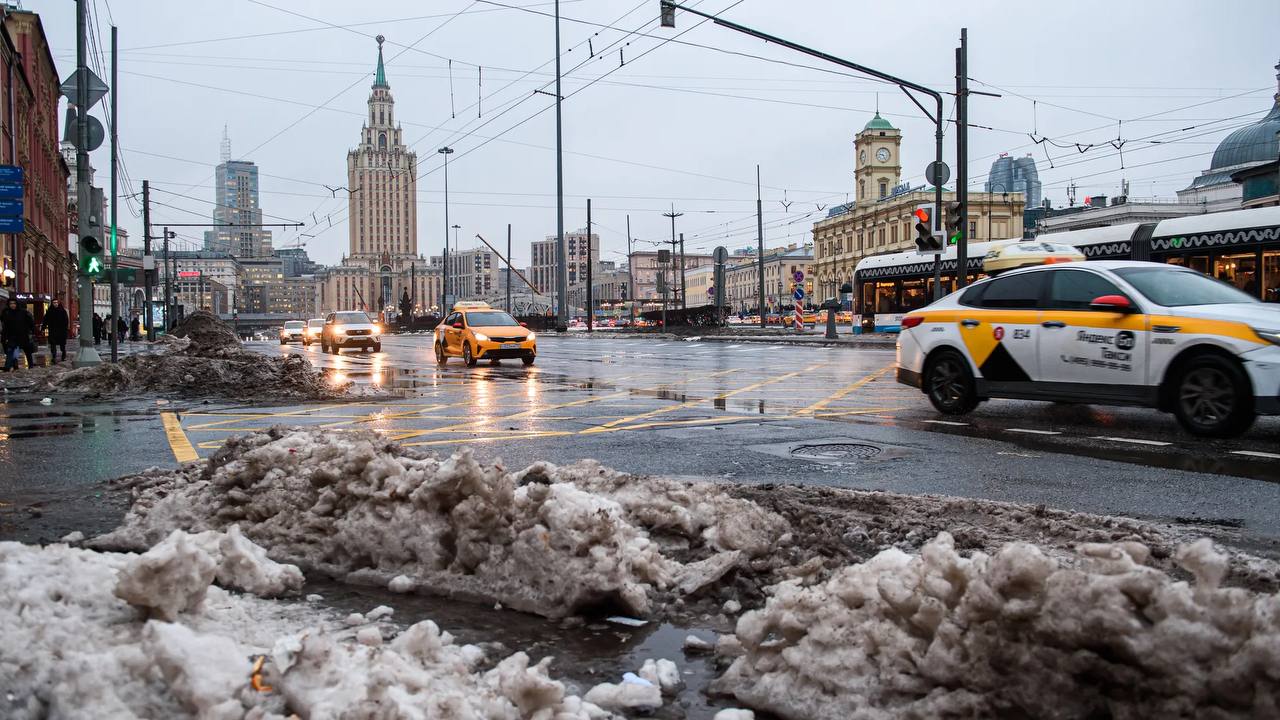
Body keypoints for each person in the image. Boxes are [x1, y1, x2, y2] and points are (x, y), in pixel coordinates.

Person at [1, 298, 36, 371]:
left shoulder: (23, 312)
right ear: (8, 304)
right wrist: (4, 337)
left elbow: (31, 323)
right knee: (10, 350)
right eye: (11, 304)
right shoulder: (7, 313)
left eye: (14, 303)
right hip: (12, 336)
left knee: (27, 351)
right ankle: (8, 367)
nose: (12, 305)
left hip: (23, 335)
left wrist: (32, 332)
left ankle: (31, 365)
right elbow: (5, 326)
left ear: (17, 304)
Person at [41, 297, 69, 363]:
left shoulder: (62, 311)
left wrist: (65, 329)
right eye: (54, 303)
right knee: (52, 345)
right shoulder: (49, 311)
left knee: (62, 345)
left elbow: (66, 321)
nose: (55, 304)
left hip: (61, 331)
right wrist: (43, 328)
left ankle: (63, 355)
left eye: (56, 302)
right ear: (52, 303)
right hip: (52, 331)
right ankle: (54, 356)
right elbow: (45, 321)